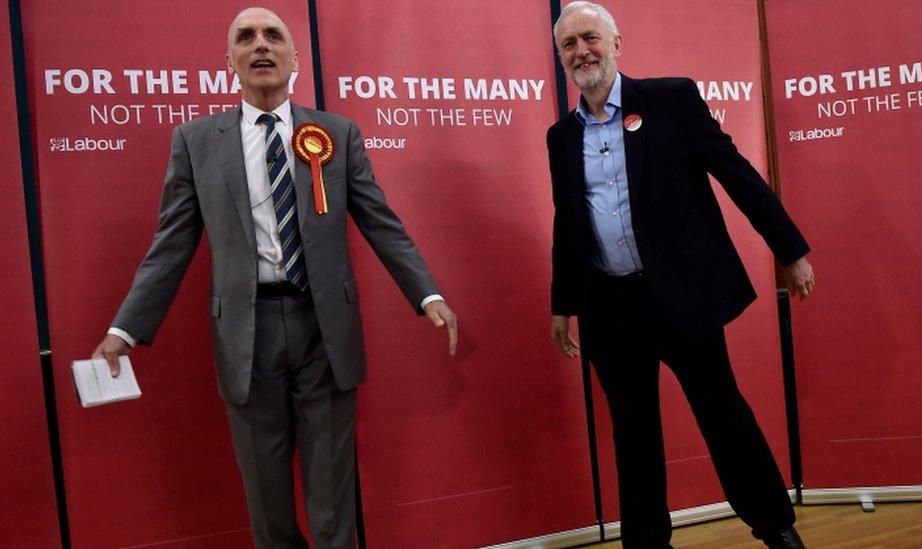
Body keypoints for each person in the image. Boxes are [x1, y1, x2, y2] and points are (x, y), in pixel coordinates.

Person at [92, 7, 457, 548]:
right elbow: (171, 243)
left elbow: (381, 222)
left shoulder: (336, 133)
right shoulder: (195, 141)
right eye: (246, 37)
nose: (260, 45)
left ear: (294, 59)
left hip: (325, 329)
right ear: (230, 62)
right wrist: (124, 329)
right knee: (266, 497)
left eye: (273, 36)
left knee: (333, 491)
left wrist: (427, 292)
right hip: (246, 333)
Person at [547, 2, 812, 548]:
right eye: (569, 45)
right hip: (610, 307)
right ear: (561, 57)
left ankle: (776, 530)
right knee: (633, 435)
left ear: (616, 44)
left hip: (680, 297)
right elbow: (569, 223)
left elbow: (736, 173)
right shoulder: (561, 137)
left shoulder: (669, 99)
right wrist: (563, 302)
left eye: (591, 38)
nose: (582, 52)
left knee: (723, 416)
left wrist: (789, 249)